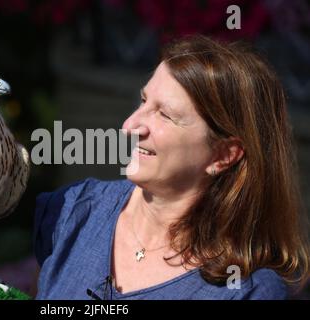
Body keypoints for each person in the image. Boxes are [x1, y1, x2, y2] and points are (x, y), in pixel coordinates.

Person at [33, 35, 310, 299]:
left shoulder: (246, 290)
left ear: (223, 155)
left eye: (165, 115)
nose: (130, 126)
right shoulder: (73, 211)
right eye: (143, 101)